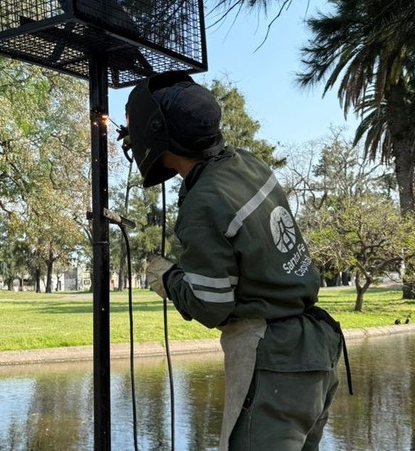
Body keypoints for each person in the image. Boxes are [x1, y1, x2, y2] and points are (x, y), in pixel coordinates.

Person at [122, 71, 347, 451]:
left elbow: (211, 305)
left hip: (274, 359)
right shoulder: (247, 163)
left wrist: (167, 278)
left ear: (158, 132)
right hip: (316, 352)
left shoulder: (202, 201)